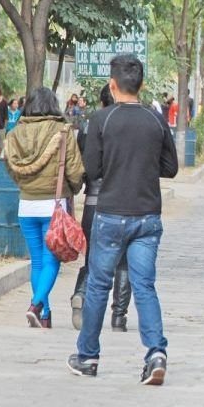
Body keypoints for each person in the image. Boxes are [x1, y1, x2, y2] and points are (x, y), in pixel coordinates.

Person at [68, 54, 178, 385]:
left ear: (112, 85)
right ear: (141, 85)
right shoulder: (156, 119)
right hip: (147, 216)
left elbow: (94, 169)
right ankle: (156, 354)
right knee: (144, 285)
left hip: (111, 213)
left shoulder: (102, 119)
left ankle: (87, 356)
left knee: (99, 284)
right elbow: (170, 167)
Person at [5, 87, 85, 328]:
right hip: (54, 206)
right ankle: (36, 304)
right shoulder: (62, 131)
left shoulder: (15, 133)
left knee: (37, 261)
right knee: (52, 260)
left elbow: (10, 168)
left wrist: (26, 185)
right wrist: (74, 188)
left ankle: (45, 315)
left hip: (26, 205)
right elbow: (75, 170)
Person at [70, 84, 132, 332]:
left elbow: (83, 165)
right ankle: (118, 317)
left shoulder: (88, 125)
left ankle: (81, 293)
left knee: (93, 257)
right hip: (121, 201)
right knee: (123, 261)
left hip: (93, 201)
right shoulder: (127, 125)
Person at [0, 86, 8, 156]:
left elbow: (6, 116)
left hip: (1, 127)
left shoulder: (4, 102)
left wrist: (5, 128)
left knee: (1, 145)